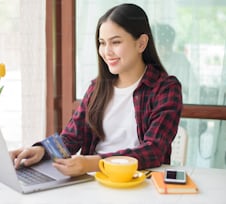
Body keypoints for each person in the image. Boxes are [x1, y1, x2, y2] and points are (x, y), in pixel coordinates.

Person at [10, 3, 182, 177]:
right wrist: (41, 150)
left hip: (140, 183)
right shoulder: (97, 87)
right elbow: (71, 137)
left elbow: (153, 151)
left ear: (141, 43)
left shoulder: (166, 89)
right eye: (102, 43)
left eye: (115, 42)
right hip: (94, 181)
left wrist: (92, 162)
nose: (107, 52)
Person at [152, 23, 192, 102]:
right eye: (160, 47)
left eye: (167, 47)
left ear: (171, 44)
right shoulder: (146, 61)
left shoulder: (181, 60)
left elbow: (192, 88)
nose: (164, 51)